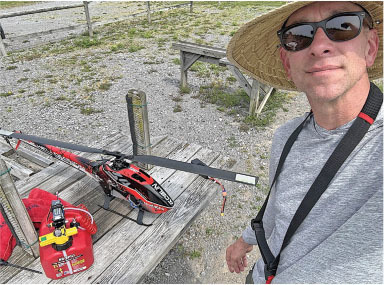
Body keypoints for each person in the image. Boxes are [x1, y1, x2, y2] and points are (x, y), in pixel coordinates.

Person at [225, 1, 383, 283]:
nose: (320, 45)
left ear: (370, 48)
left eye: (343, 26)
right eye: (298, 36)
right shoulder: (286, 136)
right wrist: (245, 241)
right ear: (287, 64)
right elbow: (279, 205)